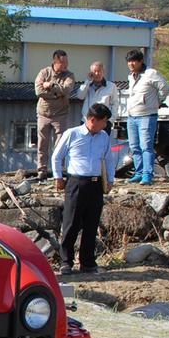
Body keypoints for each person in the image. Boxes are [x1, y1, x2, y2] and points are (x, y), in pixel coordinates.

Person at [52, 103, 116, 276]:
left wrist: (110, 179)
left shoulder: (103, 136)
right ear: (92, 120)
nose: (105, 125)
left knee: (91, 223)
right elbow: (57, 156)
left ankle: (87, 262)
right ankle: (66, 262)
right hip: (76, 182)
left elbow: (109, 159)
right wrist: (58, 177)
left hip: (96, 184)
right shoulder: (72, 134)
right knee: (71, 223)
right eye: (104, 121)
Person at [125, 49, 169, 185]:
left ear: (140, 61)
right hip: (132, 116)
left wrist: (158, 102)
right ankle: (138, 173)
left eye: (134, 61)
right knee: (134, 146)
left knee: (146, 146)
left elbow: (165, 87)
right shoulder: (131, 76)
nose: (131, 64)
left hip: (147, 116)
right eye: (129, 61)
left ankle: (147, 174)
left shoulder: (151, 73)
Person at [34, 49, 76, 180]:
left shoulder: (69, 75)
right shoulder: (44, 72)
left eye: (67, 61)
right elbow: (38, 91)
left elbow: (67, 89)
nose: (66, 65)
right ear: (55, 62)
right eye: (63, 62)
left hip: (61, 114)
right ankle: (42, 170)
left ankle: (57, 170)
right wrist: (57, 94)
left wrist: (51, 85)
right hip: (43, 114)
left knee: (60, 144)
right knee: (42, 144)